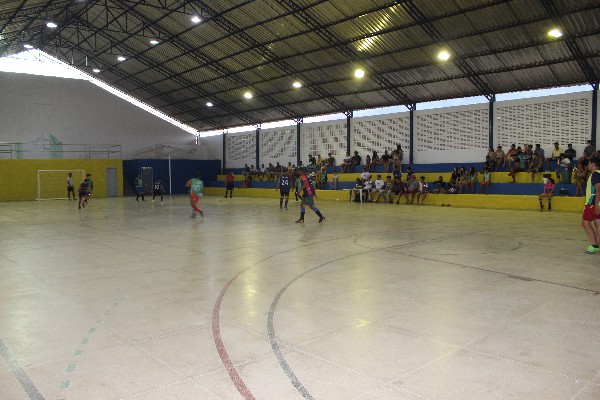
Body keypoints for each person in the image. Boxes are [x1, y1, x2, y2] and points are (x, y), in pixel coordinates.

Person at [582, 157, 600, 254]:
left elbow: (598, 188)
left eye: (589, 164)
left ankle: (594, 245)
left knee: (585, 223)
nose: (588, 166)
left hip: (593, 203)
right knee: (598, 223)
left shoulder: (595, 174)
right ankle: (597, 244)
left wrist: (596, 204)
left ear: (593, 165)